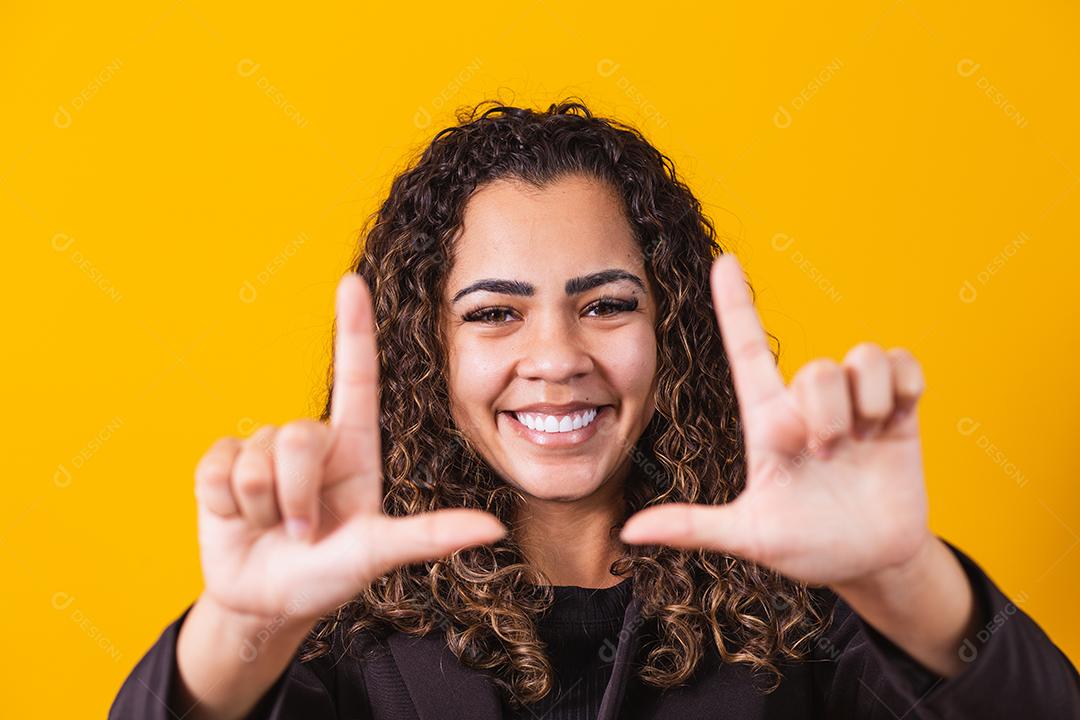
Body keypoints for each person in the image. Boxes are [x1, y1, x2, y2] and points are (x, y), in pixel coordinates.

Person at [109, 99, 1080, 720]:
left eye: (607, 304)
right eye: (494, 314)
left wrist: (903, 577)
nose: (557, 359)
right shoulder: (336, 641)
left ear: (674, 331)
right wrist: (240, 628)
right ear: (426, 352)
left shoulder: (803, 612)